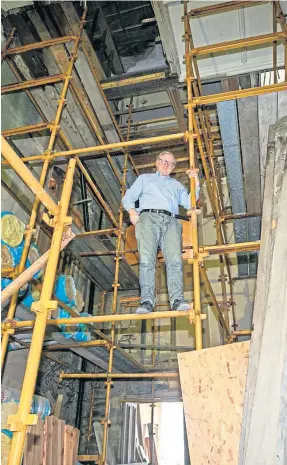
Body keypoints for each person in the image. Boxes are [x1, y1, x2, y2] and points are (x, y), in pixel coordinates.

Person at [122, 151, 200, 314]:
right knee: (147, 261)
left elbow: (189, 204)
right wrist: (132, 212)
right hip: (148, 218)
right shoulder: (144, 179)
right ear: (156, 162)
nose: (167, 165)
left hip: (171, 220)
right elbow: (128, 197)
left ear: (173, 168)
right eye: (164, 161)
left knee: (175, 261)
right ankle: (147, 302)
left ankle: (177, 300)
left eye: (171, 163)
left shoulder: (176, 185)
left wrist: (195, 180)